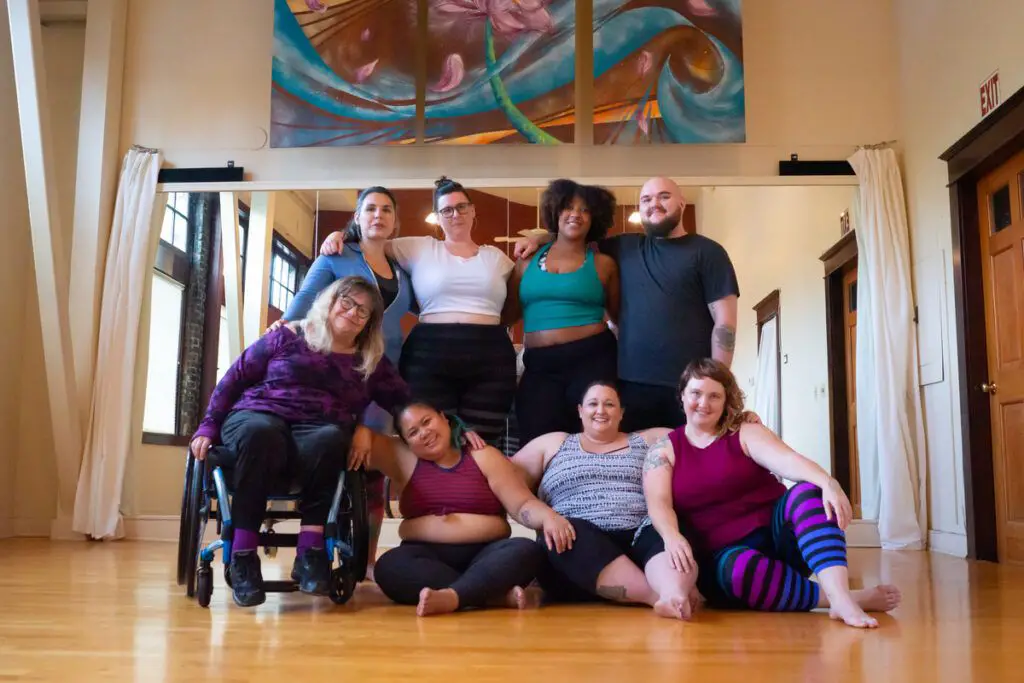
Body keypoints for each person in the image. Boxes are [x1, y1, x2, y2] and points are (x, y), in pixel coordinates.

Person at [189, 276, 410, 608]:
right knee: (261, 433)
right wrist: (207, 427)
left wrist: (444, 430)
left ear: (369, 323)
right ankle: (243, 554)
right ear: (331, 302)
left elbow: (403, 401)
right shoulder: (289, 334)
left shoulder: (369, 361)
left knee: (333, 437)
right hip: (255, 416)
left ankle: (311, 551)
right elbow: (234, 378)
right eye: (346, 302)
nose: (352, 313)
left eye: (362, 311)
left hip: (317, 432)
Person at [641, 359, 902, 628]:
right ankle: (842, 599)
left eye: (714, 396)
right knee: (741, 570)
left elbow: (788, 461)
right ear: (682, 395)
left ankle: (842, 597)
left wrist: (828, 482)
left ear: (725, 400)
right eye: (696, 393)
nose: (704, 403)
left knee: (809, 492)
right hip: (726, 560)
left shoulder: (744, 431)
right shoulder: (663, 450)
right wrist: (671, 536)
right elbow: (658, 503)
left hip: (781, 541)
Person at [515, 177, 739, 431]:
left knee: (694, 461)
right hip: (631, 386)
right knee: (636, 465)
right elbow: (573, 235)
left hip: (691, 385)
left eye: (664, 196)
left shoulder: (708, 252)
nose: (654, 204)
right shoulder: (624, 246)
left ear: (682, 202)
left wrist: (717, 381)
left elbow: (725, 321)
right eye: (646, 199)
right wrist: (540, 238)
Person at [272, 186, 414, 580]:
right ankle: (312, 551)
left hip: (380, 383)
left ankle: (364, 564)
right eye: (370, 209)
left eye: (387, 210)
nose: (378, 216)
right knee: (329, 460)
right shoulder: (336, 257)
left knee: (370, 471)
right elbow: (297, 312)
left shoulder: (403, 272)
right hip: (330, 381)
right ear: (356, 217)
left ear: (395, 221)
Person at [322, 177, 517, 445]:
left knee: (482, 442)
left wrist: (538, 240)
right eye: (446, 210)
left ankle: (475, 487)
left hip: (490, 358)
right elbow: (371, 239)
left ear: (472, 211)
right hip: (429, 356)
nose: (455, 214)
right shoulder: (419, 247)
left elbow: (525, 285)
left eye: (461, 207)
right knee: (431, 439)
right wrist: (341, 235)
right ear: (437, 216)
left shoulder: (496, 258)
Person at [368, 401, 576, 616]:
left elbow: (522, 503)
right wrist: (363, 432)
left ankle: (455, 595)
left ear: (444, 418)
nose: (423, 433)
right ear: (407, 443)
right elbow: (367, 439)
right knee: (389, 566)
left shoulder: (483, 455)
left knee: (526, 550)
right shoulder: (406, 461)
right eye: (413, 432)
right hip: (427, 556)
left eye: (427, 421)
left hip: (485, 554)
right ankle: (487, 594)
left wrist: (549, 517)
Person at [510, 381, 697, 620]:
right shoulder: (553, 443)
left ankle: (673, 593)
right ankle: (657, 596)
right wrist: (542, 515)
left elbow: (704, 437)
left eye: (609, 404)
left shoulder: (650, 439)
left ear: (621, 412)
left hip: (640, 539)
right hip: (578, 551)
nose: (601, 410)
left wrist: (740, 421)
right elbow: (506, 477)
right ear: (580, 410)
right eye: (593, 404)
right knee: (564, 531)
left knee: (670, 525)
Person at [504, 180, 620, 443]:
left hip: (593, 360)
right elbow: (506, 315)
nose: (576, 214)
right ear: (555, 211)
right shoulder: (526, 261)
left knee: (594, 439)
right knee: (537, 440)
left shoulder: (604, 264)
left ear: (595, 218)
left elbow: (619, 318)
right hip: (540, 365)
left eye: (585, 210)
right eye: (568, 207)